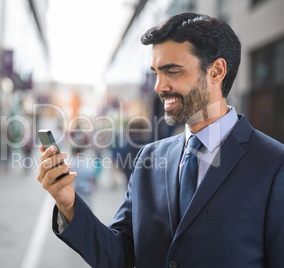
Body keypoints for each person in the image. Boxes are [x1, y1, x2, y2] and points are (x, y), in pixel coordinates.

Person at [36, 12, 284, 267]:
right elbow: (116, 256)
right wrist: (68, 203)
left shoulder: (275, 166)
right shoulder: (150, 158)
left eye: (172, 71)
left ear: (217, 71)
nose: (158, 86)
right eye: (156, 72)